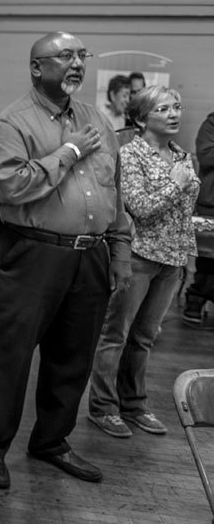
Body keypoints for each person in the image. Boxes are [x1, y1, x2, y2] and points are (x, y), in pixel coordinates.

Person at [0, 31, 131, 490]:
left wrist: (119, 249)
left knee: (73, 357)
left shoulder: (97, 119)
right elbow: (12, 186)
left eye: (82, 55)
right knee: (11, 354)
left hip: (91, 255)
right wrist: (70, 151)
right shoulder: (11, 123)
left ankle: (51, 441)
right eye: (64, 56)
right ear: (37, 67)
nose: (76, 63)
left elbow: (114, 190)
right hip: (32, 253)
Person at [87, 86, 201, 438]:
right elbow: (140, 207)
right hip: (138, 257)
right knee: (116, 335)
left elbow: (184, 213)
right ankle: (103, 408)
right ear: (140, 119)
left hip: (172, 259)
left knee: (145, 337)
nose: (174, 114)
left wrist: (188, 257)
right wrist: (174, 184)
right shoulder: (130, 154)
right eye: (163, 109)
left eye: (177, 107)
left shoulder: (182, 156)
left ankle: (134, 405)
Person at [184, 108, 214, 327]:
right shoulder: (211, 124)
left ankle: (199, 294)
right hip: (210, 202)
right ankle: (197, 295)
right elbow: (206, 155)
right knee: (207, 256)